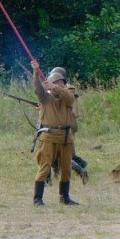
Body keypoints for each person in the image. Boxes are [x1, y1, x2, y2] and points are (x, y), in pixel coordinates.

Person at [31, 61, 79, 206]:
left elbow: (70, 99)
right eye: (56, 82)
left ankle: (65, 197)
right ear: (50, 84)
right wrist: (35, 71)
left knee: (66, 168)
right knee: (44, 167)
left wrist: (56, 88)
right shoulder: (45, 97)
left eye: (61, 82)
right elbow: (38, 89)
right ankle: (38, 199)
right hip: (49, 136)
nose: (60, 84)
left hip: (65, 137)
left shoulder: (68, 95)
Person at [47, 67, 88, 183]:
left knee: (64, 154)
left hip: (66, 124)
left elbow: (72, 111)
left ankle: (80, 168)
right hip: (65, 124)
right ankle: (57, 173)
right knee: (61, 153)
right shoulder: (63, 89)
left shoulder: (67, 89)